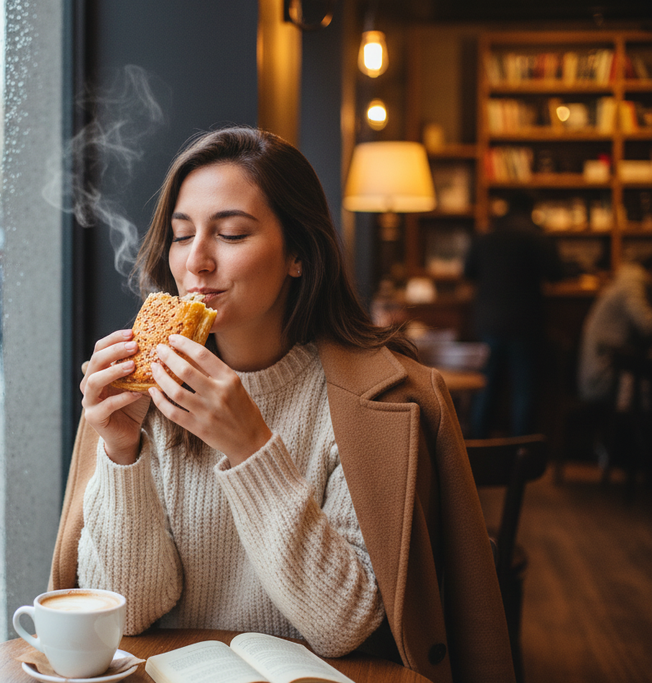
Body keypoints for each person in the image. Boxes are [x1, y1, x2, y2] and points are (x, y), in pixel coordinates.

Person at [51, 127, 514, 683]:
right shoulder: (136, 396)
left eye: (231, 234)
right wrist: (122, 452)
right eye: (181, 235)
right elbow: (130, 610)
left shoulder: (378, 402)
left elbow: (344, 625)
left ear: (298, 252)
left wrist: (250, 446)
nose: (196, 262)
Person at [463, 192, 563, 438]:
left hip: (489, 322)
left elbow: (468, 273)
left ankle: (477, 450)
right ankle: (522, 451)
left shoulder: (485, 236)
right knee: (524, 390)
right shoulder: (535, 236)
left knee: (486, 387)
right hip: (524, 323)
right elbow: (557, 274)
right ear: (529, 209)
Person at [578, 256, 652, 404]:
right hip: (605, 371)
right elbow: (646, 324)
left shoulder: (629, 279)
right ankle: (636, 422)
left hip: (610, 361)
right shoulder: (632, 284)